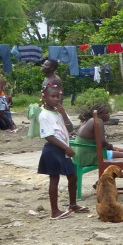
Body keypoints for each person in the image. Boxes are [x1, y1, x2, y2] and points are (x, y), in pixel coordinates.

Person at [36, 85, 87, 219]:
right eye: (52, 96)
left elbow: (70, 129)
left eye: (58, 96)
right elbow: (48, 136)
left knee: (73, 176)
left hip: (63, 149)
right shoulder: (44, 115)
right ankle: (54, 211)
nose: (56, 99)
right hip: (53, 149)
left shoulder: (59, 112)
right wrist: (66, 148)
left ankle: (73, 204)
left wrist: (63, 113)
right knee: (54, 179)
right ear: (44, 97)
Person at [72, 103, 123, 167]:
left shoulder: (87, 121)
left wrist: (114, 148)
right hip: (89, 157)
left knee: (119, 153)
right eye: (107, 113)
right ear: (99, 114)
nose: (109, 115)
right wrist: (112, 148)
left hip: (79, 157)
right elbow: (102, 142)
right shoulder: (98, 121)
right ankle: (111, 175)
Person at [39, 57, 74, 130]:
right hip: (46, 105)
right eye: (43, 64)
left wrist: (58, 106)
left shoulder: (55, 80)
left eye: (46, 65)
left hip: (52, 108)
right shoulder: (47, 78)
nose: (43, 66)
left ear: (51, 68)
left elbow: (59, 94)